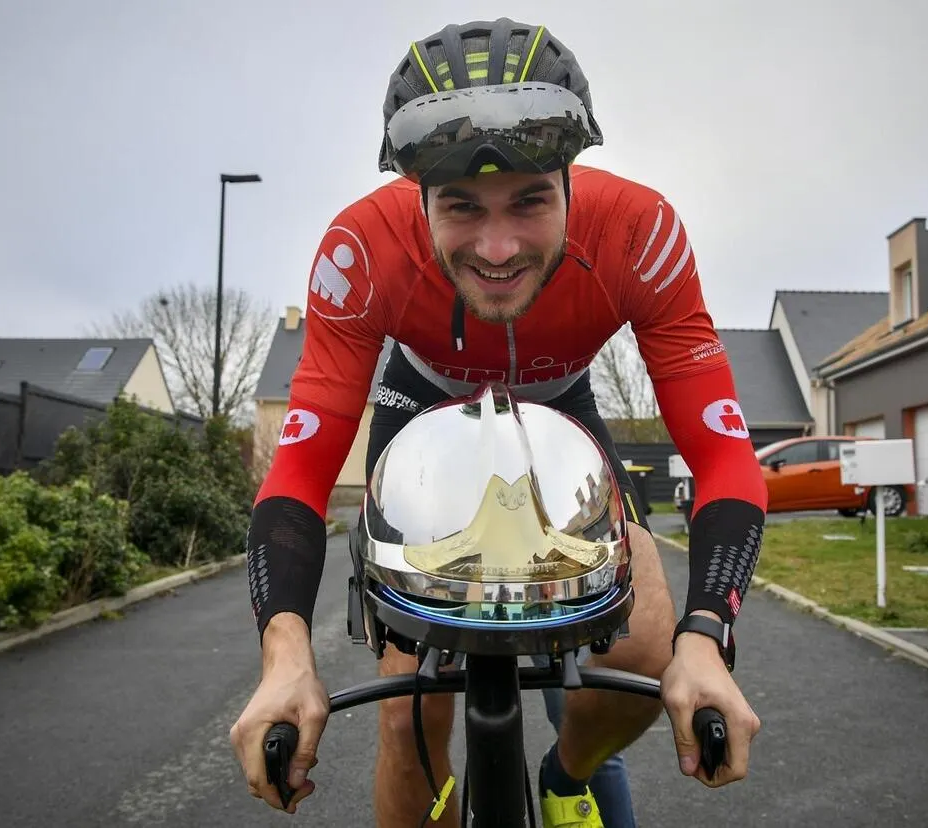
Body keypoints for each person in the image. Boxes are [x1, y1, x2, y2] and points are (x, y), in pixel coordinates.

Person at [230, 17, 768, 828]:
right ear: (417, 195)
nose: (497, 247)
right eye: (459, 206)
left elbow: (725, 459)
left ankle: (567, 773)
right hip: (423, 405)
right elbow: (299, 476)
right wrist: (283, 655)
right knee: (407, 714)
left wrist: (706, 636)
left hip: (562, 407)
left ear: (571, 180)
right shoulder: (361, 249)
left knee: (648, 648)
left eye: (530, 200)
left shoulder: (639, 231)